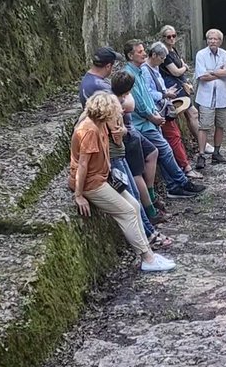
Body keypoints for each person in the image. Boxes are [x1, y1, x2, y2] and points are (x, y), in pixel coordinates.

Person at [70, 92, 176, 272]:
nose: (120, 113)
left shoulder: (100, 124)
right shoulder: (89, 130)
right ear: (106, 112)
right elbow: (82, 165)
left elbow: (116, 143)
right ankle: (147, 258)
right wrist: (79, 195)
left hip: (103, 177)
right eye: (116, 111)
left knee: (134, 205)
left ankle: (148, 253)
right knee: (127, 211)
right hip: (92, 183)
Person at [124, 39, 206, 198]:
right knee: (166, 150)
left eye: (143, 50)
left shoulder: (139, 71)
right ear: (130, 55)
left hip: (150, 118)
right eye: (139, 52)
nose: (143, 54)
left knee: (162, 152)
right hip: (143, 123)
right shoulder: (132, 74)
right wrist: (153, 116)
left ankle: (174, 186)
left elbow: (145, 97)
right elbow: (140, 102)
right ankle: (181, 182)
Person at [110, 71, 165, 225]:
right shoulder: (117, 100)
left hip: (133, 133)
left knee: (153, 152)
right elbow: (131, 105)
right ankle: (150, 211)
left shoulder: (119, 96)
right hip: (128, 137)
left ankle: (151, 195)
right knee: (136, 173)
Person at [145, 41, 202, 180]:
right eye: (162, 58)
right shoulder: (146, 71)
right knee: (173, 138)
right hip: (158, 109)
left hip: (163, 106)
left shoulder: (154, 67)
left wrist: (166, 91)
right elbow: (147, 92)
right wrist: (164, 94)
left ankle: (182, 170)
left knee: (173, 138)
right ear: (153, 55)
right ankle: (184, 170)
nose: (163, 61)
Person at [157, 25, 206, 153]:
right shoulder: (165, 54)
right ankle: (201, 143)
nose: (172, 38)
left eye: (174, 36)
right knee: (192, 113)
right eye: (169, 37)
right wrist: (185, 67)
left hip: (179, 85)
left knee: (191, 114)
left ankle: (200, 142)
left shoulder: (173, 50)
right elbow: (176, 72)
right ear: (163, 38)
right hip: (173, 87)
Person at [194, 28, 226, 168]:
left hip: (222, 96)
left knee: (221, 125)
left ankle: (216, 152)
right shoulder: (201, 55)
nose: (212, 41)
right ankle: (201, 154)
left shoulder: (224, 54)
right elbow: (202, 76)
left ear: (220, 41)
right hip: (206, 97)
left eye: (215, 39)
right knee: (204, 126)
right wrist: (220, 73)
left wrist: (212, 71)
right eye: (210, 38)